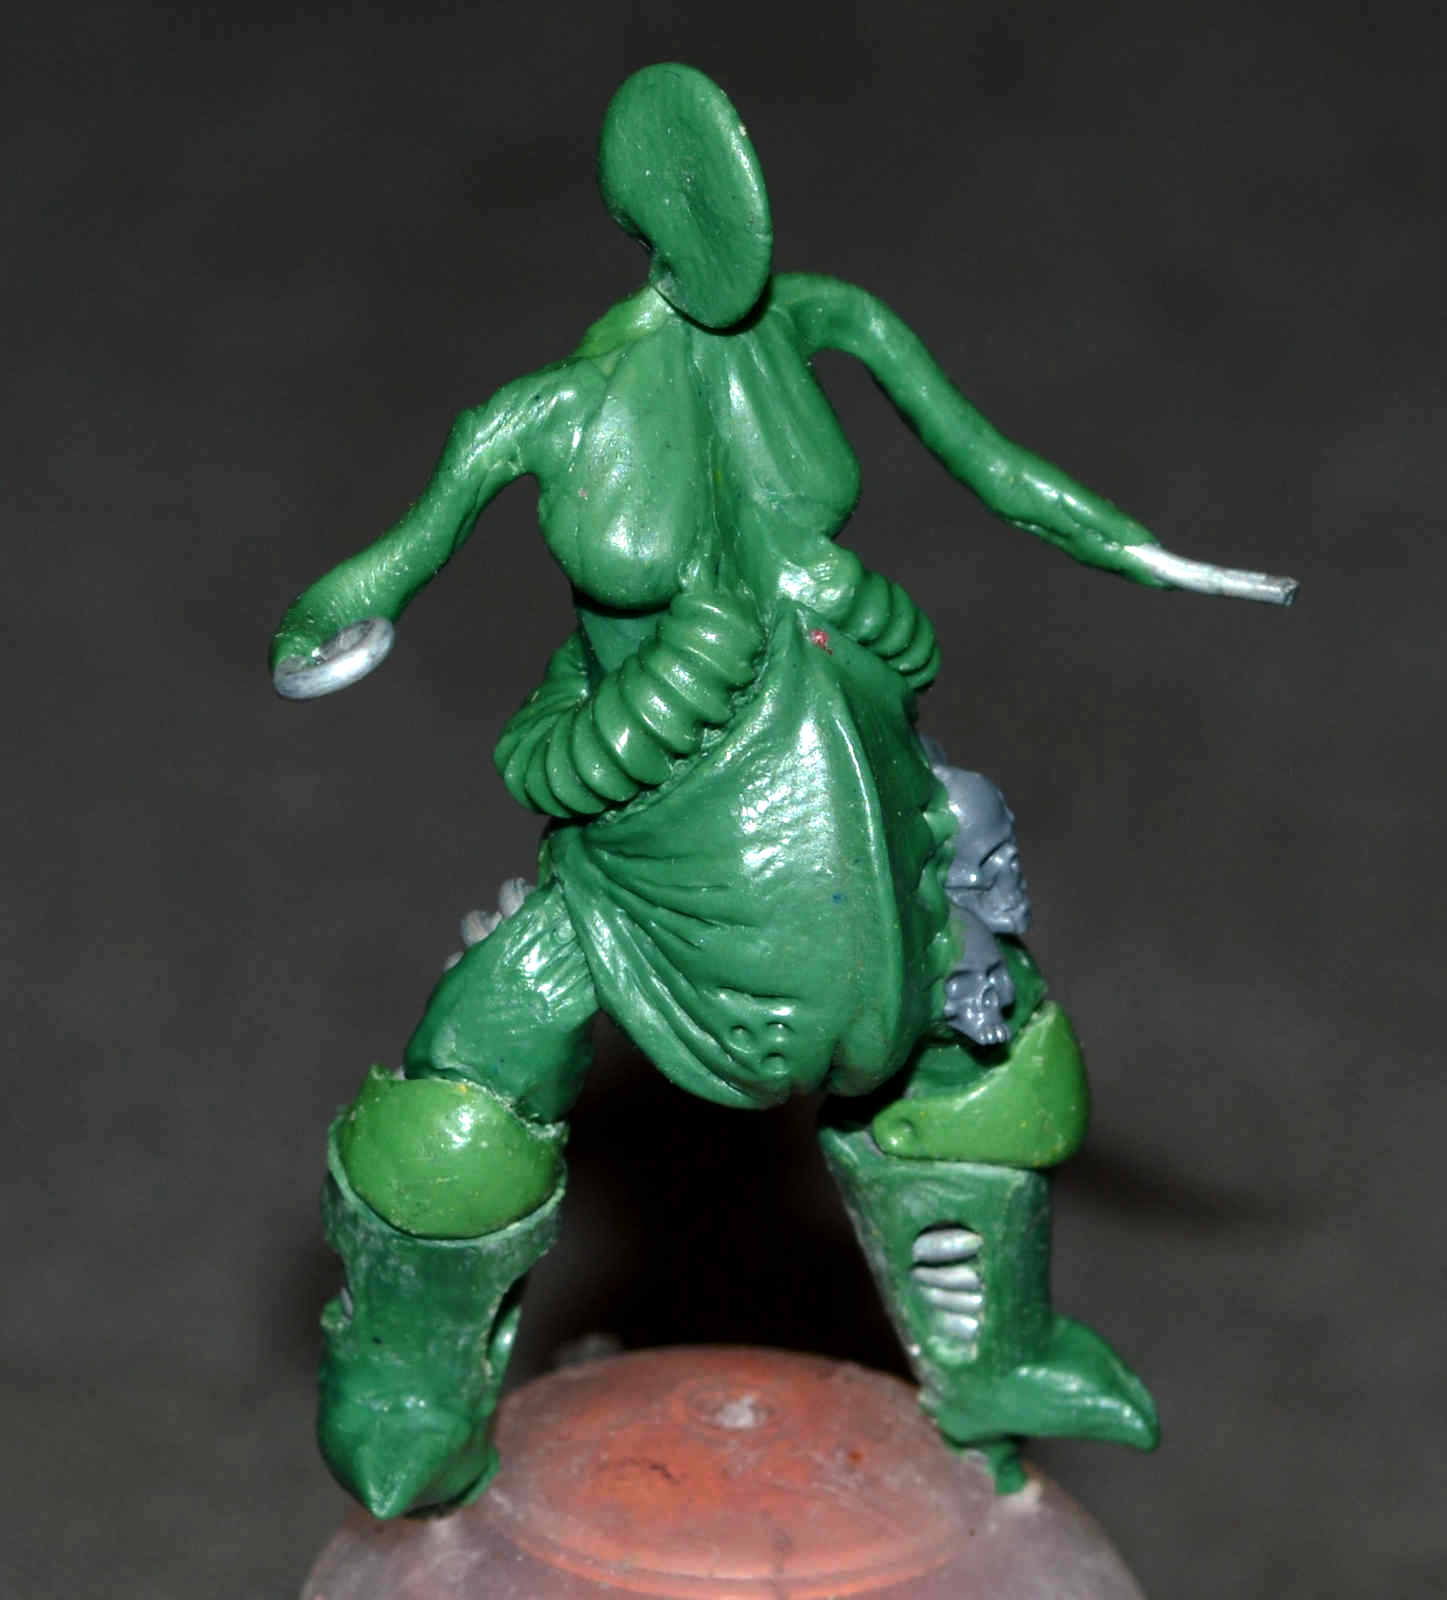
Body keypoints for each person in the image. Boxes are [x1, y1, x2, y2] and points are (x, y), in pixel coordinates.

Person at [271, 63, 1294, 1519]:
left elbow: (996, 466)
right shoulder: (545, 416)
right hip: (647, 849)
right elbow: (389, 562)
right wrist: (330, 634)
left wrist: (1154, 555)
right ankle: (408, 1388)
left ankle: (997, 1354)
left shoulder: (822, 323)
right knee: (463, 1089)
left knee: (984, 1036)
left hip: (857, 793)